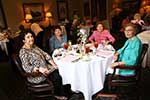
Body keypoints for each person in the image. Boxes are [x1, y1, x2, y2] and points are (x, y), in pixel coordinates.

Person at [19, 30, 67, 100]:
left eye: (31, 36)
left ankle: (64, 89)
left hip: (46, 68)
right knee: (57, 77)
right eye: (28, 37)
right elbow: (26, 67)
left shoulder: (34, 46)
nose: (31, 38)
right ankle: (57, 95)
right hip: (36, 75)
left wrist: (54, 64)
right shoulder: (23, 52)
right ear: (23, 40)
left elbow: (45, 55)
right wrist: (39, 69)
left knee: (60, 69)